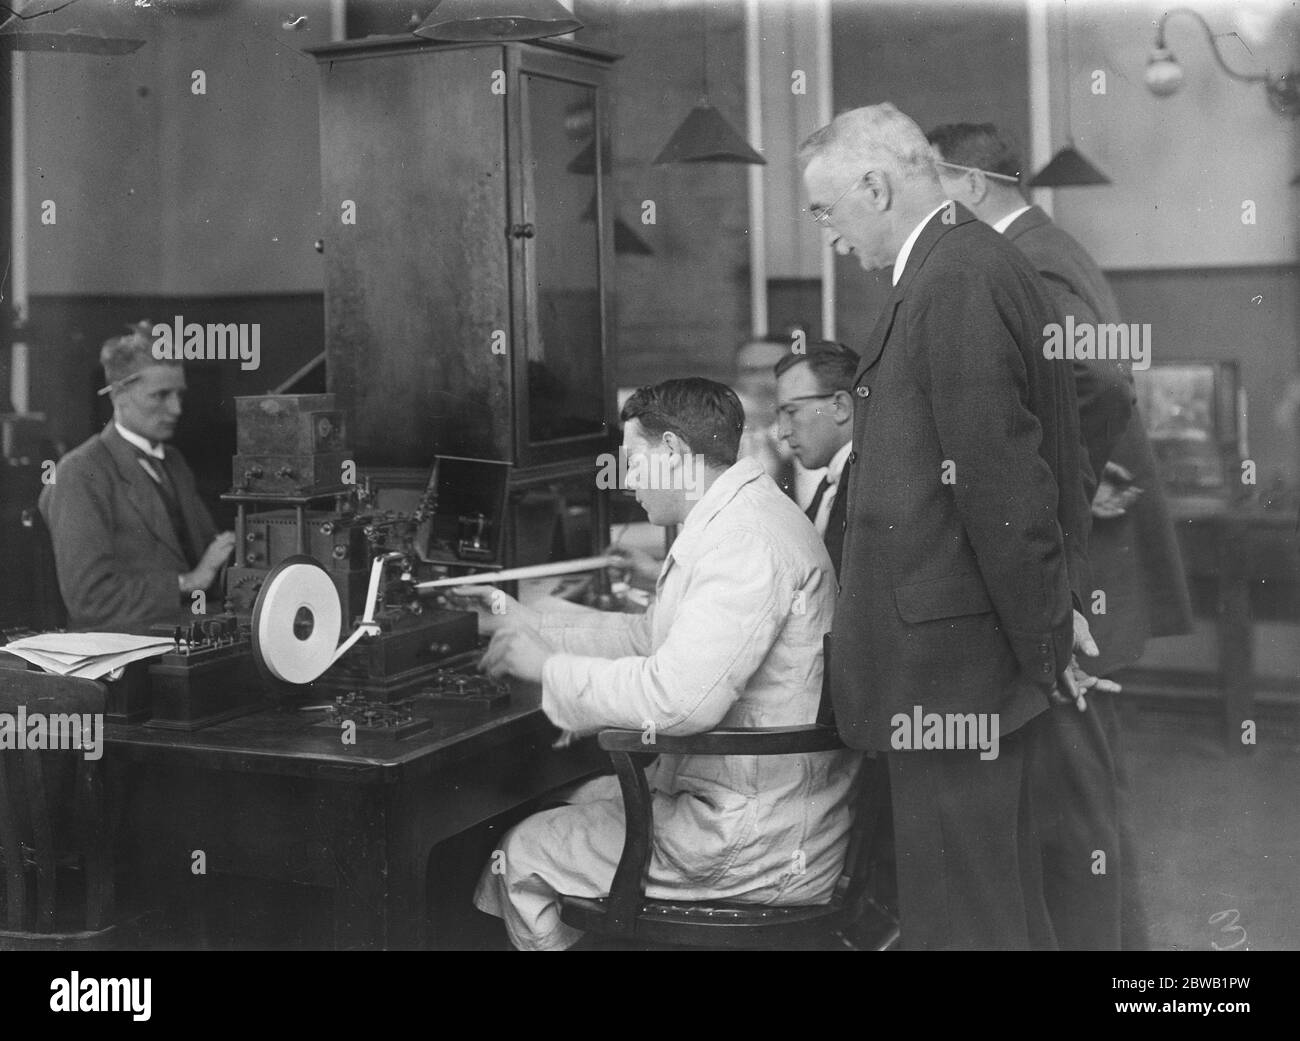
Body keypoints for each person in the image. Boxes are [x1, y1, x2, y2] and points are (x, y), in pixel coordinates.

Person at [799, 103, 1098, 950]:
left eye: (827, 210)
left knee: (968, 922)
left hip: (953, 674)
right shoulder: (957, 262)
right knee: (993, 910)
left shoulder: (955, 275)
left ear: (877, 184)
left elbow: (1003, 486)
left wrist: (1048, 643)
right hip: (956, 668)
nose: (825, 233)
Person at [455, 377, 858, 951]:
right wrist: (537, 623)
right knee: (567, 803)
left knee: (516, 852)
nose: (625, 479)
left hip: (752, 839)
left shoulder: (745, 540)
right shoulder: (742, 514)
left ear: (672, 452)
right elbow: (650, 637)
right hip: (755, 805)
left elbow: (678, 699)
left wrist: (548, 668)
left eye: (632, 461)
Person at [928, 121, 1193, 950]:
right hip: (1087, 577)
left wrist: (1061, 490)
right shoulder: (1044, 244)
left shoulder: (1026, 257)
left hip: (1082, 581)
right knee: (1084, 817)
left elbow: (1102, 379)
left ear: (968, 185)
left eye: (929, 191)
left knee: (1077, 822)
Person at [39, 324, 235, 632]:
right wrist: (189, 582)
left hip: (180, 640)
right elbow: (91, 601)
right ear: (119, 395)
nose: (176, 408)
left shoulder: (173, 461)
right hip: (121, 656)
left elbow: (210, 554)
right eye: (160, 395)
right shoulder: (80, 471)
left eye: (179, 395)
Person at [774, 341, 859, 575]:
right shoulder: (833, 484)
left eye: (791, 412)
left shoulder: (872, 485)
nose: (782, 432)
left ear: (839, 407)